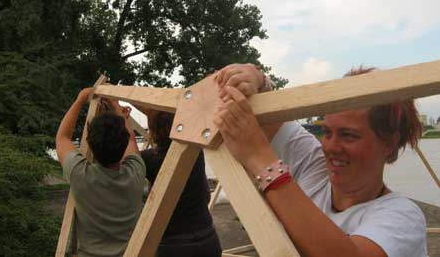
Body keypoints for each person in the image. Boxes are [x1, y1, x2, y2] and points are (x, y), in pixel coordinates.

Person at [213, 63, 427, 257]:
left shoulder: (403, 217)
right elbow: (267, 120)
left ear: (389, 144)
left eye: (348, 135)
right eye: (326, 132)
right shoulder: (315, 167)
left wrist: (261, 161)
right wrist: (255, 78)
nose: (330, 147)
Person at [55, 88, 146, 257]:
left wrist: (80, 99)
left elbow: (62, 138)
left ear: (90, 143)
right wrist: (116, 106)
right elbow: (132, 140)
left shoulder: (80, 175)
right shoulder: (136, 173)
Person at [140, 110, 222, 257]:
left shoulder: (148, 159)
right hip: (207, 237)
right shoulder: (195, 150)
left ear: (153, 132)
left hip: (173, 245)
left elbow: (129, 159)